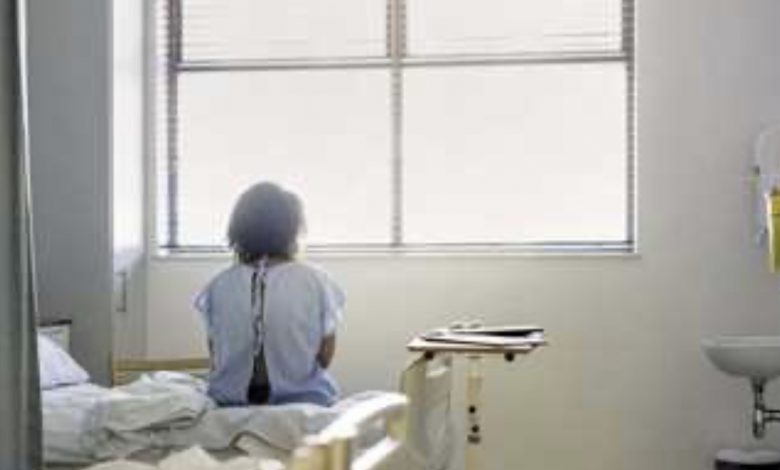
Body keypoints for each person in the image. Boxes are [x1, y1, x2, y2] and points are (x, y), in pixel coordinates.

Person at [194, 182, 344, 407]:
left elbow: (216, 358)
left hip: (231, 406)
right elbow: (325, 358)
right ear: (292, 231)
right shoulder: (317, 282)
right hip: (305, 404)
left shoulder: (217, 286)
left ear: (237, 231)